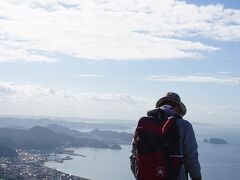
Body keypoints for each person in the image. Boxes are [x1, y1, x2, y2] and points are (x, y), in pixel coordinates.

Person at [130, 92, 202, 180]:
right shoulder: (184, 126)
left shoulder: (144, 124)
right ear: (178, 108)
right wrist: (197, 177)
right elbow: (191, 158)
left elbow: (133, 156)